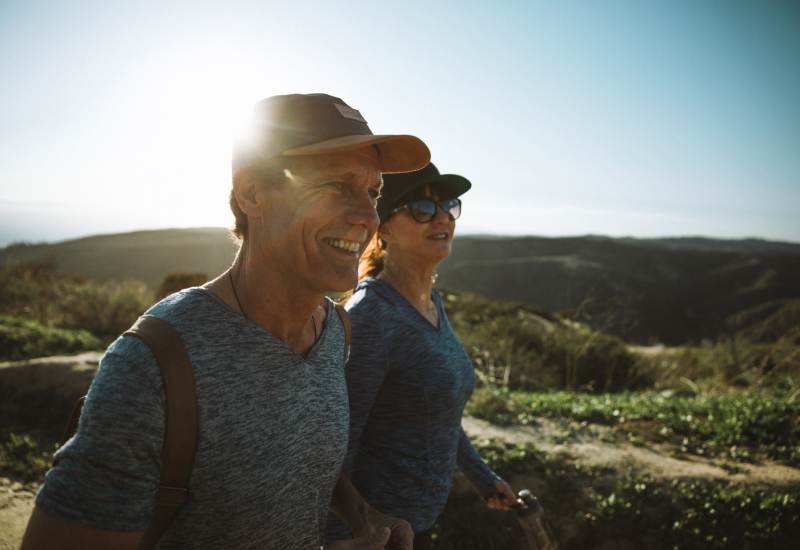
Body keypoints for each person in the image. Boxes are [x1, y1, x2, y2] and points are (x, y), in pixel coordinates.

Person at [21, 93, 431, 550]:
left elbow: (292, 451)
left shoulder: (334, 330)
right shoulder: (155, 364)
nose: (367, 216)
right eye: (337, 185)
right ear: (252, 192)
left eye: (373, 192)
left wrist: (360, 513)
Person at [326, 163, 519, 549]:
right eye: (422, 208)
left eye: (449, 205)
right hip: (375, 537)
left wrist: (483, 478)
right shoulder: (371, 318)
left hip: (417, 528)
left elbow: (437, 413)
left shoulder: (433, 304)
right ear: (384, 229)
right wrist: (362, 528)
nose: (443, 216)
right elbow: (337, 445)